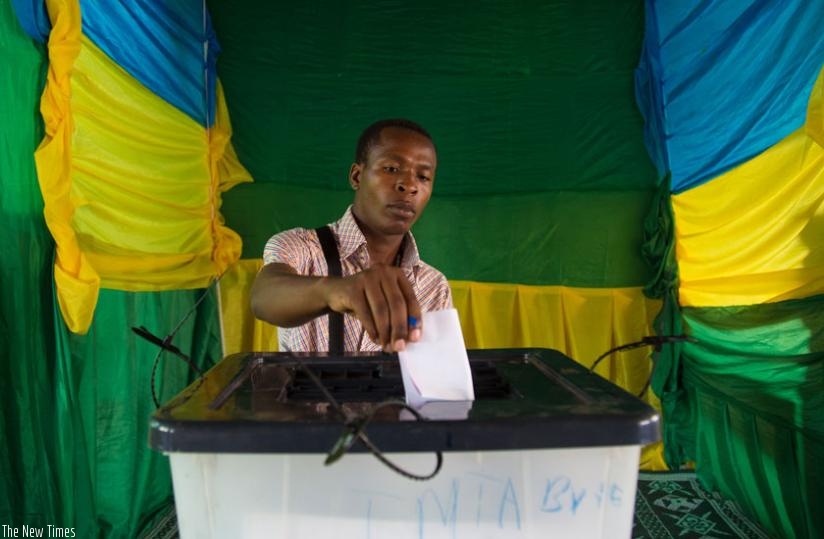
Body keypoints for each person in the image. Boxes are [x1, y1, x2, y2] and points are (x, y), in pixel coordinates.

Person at [250, 118, 452, 353]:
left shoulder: (434, 287)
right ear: (357, 176)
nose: (409, 185)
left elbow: (436, 381)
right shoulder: (301, 247)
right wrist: (336, 290)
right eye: (391, 169)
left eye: (423, 177)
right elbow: (263, 297)